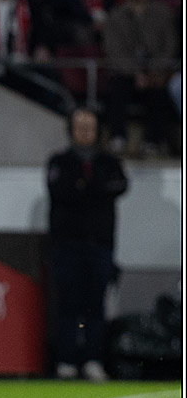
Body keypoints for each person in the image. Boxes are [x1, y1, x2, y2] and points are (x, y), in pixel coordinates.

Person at [46, 106, 128, 382]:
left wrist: (84, 189)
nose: (84, 132)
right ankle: (67, 360)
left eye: (89, 127)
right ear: (71, 130)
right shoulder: (59, 161)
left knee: (95, 305)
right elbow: (64, 192)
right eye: (79, 127)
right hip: (66, 245)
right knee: (68, 304)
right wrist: (94, 190)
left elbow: (118, 186)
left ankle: (94, 359)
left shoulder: (108, 162)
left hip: (100, 245)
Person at [101, 0, 178, 157]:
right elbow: (114, 51)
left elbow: (170, 46)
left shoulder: (163, 13)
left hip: (156, 72)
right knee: (118, 86)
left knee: (160, 91)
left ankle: (153, 141)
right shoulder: (116, 15)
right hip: (125, 72)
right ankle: (117, 137)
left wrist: (153, 72)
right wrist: (136, 73)